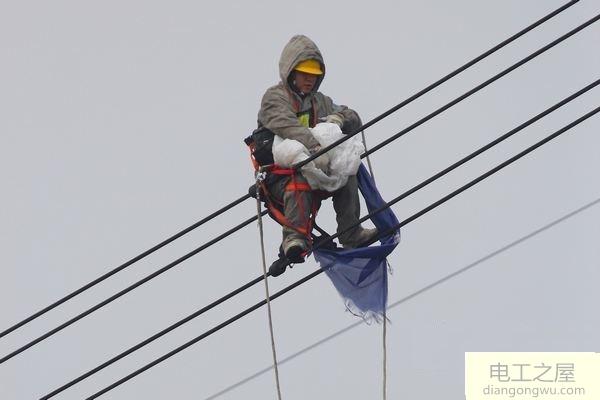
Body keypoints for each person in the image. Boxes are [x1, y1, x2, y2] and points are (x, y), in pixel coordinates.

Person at [256, 34, 376, 262]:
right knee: (298, 182)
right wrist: (315, 149)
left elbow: (353, 116)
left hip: (319, 166)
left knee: (347, 173)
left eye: (314, 75)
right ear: (291, 72)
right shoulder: (275, 98)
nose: (309, 80)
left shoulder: (319, 101)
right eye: (304, 74)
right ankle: (293, 239)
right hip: (280, 175)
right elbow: (287, 126)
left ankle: (351, 234)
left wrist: (339, 119)